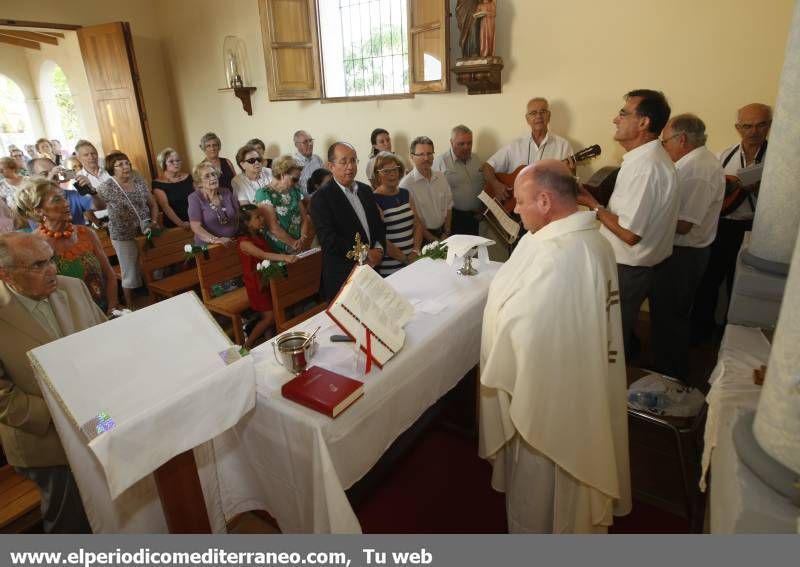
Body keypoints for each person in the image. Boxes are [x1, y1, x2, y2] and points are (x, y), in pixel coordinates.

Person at [479, 160, 631, 533]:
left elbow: (529, 333)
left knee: (541, 497)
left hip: (548, 404)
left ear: (545, 201)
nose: (514, 209)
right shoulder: (589, 240)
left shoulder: (559, 255)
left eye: (519, 200)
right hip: (581, 385)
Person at [0, 232, 106, 532]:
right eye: (38, 265)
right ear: (5, 274)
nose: (52, 271)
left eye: (51, 260)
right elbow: (4, 399)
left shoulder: (73, 288)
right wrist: (62, 414)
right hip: (46, 441)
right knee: (70, 520)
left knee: (114, 500)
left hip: (99, 419)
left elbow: (105, 338)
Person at [578, 89, 679, 360]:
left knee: (610, 340)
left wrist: (593, 205)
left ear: (644, 122)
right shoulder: (644, 160)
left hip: (629, 268)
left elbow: (630, 233)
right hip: (632, 266)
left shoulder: (646, 167)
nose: (615, 119)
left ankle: (607, 394)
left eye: (623, 113)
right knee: (616, 334)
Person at [650, 115, 724, 382]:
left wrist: (644, 224)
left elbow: (683, 225)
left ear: (682, 139)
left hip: (684, 254)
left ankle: (670, 379)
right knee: (665, 316)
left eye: (664, 140)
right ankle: (663, 372)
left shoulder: (698, 169)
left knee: (672, 319)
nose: (662, 146)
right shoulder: (691, 163)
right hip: (680, 252)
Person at [692, 103, 772, 343]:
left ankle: (736, 340)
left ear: (770, 125)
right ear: (738, 127)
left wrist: (760, 191)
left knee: (745, 286)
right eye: (747, 125)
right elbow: (713, 193)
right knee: (710, 280)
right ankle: (700, 334)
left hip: (758, 228)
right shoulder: (723, 156)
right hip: (725, 226)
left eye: (760, 125)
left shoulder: (780, 160)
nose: (754, 131)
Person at [15, 177, 118, 314]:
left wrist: (112, 308)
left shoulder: (86, 233)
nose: (67, 203)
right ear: (39, 211)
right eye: (57, 200)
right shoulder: (33, 245)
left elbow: (109, 275)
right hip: (69, 319)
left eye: (64, 197)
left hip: (103, 311)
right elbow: (36, 294)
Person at [309, 142, 386, 300]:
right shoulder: (321, 198)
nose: (350, 166)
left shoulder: (365, 190)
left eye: (353, 160)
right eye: (344, 162)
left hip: (372, 269)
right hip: (344, 275)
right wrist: (365, 254)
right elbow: (329, 239)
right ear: (331, 166)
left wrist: (379, 249)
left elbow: (378, 225)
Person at [96, 151, 160, 308]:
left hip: (145, 232)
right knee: (129, 272)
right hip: (123, 235)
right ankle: (130, 305)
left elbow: (152, 204)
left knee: (150, 265)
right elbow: (93, 208)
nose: (126, 167)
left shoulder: (138, 182)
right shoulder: (106, 187)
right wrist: (99, 224)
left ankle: (153, 299)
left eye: (127, 163)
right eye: (120, 164)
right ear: (112, 168)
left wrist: (154, 221)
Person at [484, 98, 575, 204]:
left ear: (549, 116)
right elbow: (487, 167)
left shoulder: (563, 146)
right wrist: (496, 185)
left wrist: (571, 172)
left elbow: (570, 186)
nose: (538, 116)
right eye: (533, 113)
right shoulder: (515, 145)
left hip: (547, 209)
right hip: (514, 209)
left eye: (543, 112)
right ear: (527, 119)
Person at [236, 204, 297, 349]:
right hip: (256, 284)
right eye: (257, 217)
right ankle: (246, 346)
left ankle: (270, 342)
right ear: (246, 223)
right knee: (269, 317)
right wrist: (284, 257)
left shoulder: (259, 235)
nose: (262, 219)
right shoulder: (244, 243)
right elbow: (262, 255)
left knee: (269, 315)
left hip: (267, 279)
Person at [371, 152, 422, 276]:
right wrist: (404, 259)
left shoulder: (405, 193)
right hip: (390, 267)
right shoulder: (374, 200)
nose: (392, 174)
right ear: (378, 175)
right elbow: (380, 238)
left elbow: (417, 225)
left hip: (413, 261)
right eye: (386, 171)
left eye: (395, 169)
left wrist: (415, 251)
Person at [432, 125, 484, 235]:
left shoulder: (476, 159)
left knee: (474, 250)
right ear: (451, 142)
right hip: (453, 219)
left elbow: (482, 184)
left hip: (475, 218)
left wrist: (482, 207)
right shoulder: (441, 162)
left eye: (469, 143)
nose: (466, 147)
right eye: (461, 144)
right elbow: (433, 193)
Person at [400, 136, 453, 243]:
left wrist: (447, 232)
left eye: (429, 154)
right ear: (412, 157)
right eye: (421, 154)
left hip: (444, 233)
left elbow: (449, 206)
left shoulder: (441, 177)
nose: (426, 158)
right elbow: (413, 219)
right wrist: (432, 239)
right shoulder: (406, 185)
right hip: (422, 238)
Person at [255, 155, 310, 254]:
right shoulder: (264, 194)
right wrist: (293, 243)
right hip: (278, 248)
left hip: (298, 245)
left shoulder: (294, 191)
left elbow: (304, 218)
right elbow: (273, 227)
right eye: (294, 179)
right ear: (282, 175)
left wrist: (302, 239)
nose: (296, 183)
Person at [29, 158, 98, 227]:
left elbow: (99, 206)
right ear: (32, 178)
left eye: (54, 171)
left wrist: (92, 191)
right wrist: (50, 180)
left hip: (80, 235)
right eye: (44, 174)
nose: (53, 176)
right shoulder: (31, 202)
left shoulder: (72, 194)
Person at [188, 162, 239, 246]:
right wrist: (215, 240)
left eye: (214, 174)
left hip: (232, 242)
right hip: (209, 246)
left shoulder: (226, 192)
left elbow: (238, 215)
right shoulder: (195, 198)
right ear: (199, 183)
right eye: (207, 176)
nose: (213, 178)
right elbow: (195, 226)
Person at [151, 147, 193, 228]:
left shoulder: (188, 177)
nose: (176, 163)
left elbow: (197, 198)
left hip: (194, 221)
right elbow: (165, 207)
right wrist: (181, 223)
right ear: (163, 164)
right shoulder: (158, 183)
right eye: (171, 161)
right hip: (175, 225)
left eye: (178, 160)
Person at [292, 130, 324, 195]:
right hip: (304, 202)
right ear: (296, 145)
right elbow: (293, 191)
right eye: (305, 142)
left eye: (310, 140)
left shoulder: (317, 159)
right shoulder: (292, 163)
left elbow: (324, 182)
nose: (310, 144)